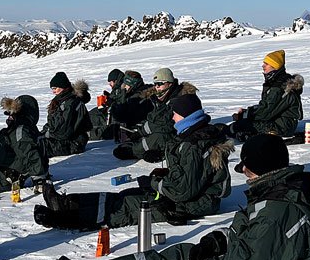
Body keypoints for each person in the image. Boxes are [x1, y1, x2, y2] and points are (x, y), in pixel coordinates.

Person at [50, 133, 310, 260]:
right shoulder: (280, 193)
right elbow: (259, 242)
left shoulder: (278, 210)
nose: (245, 175)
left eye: (246, 168)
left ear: (257, 168)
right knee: (177, 255)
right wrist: (221, 240)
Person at [35, 92, 232, 231]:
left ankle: (64, 219)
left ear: (186, 116)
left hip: (193, 204)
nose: (172, 117)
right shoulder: (196, 135)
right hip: (189, 196)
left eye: (175, 114)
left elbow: (182, 191)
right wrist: (163, 176)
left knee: (127, 206)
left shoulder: (194, 144)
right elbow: (189, 176)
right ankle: (68, 203)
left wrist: (154, 183)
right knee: (124, 194)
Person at [112, 67, 197, 162]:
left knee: (158, 137)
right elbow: (153, 118)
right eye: (155, 84)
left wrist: (140, 133)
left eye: (160, 84)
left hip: (178, 135)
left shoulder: (178, 99)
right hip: (166, 133)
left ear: (169, 83)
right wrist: (139, 133)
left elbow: (164, 124)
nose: (157, 87)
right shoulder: (159, 97)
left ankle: (135, 150)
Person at [227, 51, 304, 141]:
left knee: (236, 127)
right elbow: (266, 106)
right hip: (278, 122)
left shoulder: (280, 86)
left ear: (275, 66)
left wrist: (243, 116)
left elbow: (265, 112)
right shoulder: (277, 81)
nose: (263, 66)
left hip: (282, 127)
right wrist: (247, 112)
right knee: (239, 126)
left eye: (267, 64)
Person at [0, 95, 47, 190]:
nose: (9, 117)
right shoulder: (19, 129)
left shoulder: (20, 132)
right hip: (3, 170)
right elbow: (15, 151)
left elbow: (31, 154)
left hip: (8, 177)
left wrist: (39, 179)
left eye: (12, 114)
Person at [41, 72, 92, 157]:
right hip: (65, 140)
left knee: (37, 148)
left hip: (74, 143)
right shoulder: (61, 101)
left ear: (63, 87)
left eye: (55, 88)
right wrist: (42, 133)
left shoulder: (71, 103)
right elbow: (54, 123)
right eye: (52, 89)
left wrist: (47, 134)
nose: (53, 91)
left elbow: (63, 131)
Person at [87, 68, 126, 140]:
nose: (109, 84)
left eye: (110, 81)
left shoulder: (122, 89)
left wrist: (111, 103)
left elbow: (121, 105)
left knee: (95, 120)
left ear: (116, 81)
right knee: (90, 114)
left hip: (113, 118)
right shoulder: (117, 89)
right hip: (109, 113)